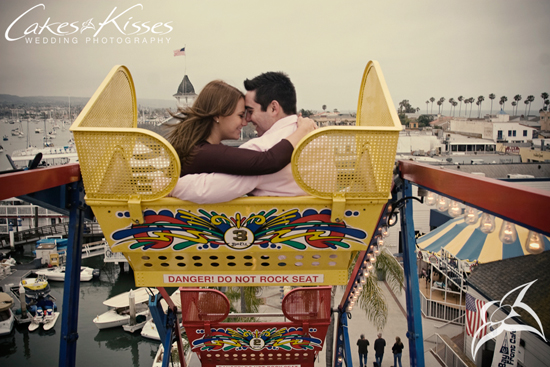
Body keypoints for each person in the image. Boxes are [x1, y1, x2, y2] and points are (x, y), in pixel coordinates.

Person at [169, 71, 316, 203]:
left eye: (249, 112)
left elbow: (205, 189)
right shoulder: (319, 138)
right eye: (241, 115)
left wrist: (171, 186)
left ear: (273, 108)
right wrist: (302, 131)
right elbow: (268, 161)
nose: (246, 121)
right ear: (218, 115)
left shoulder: (200, 149)